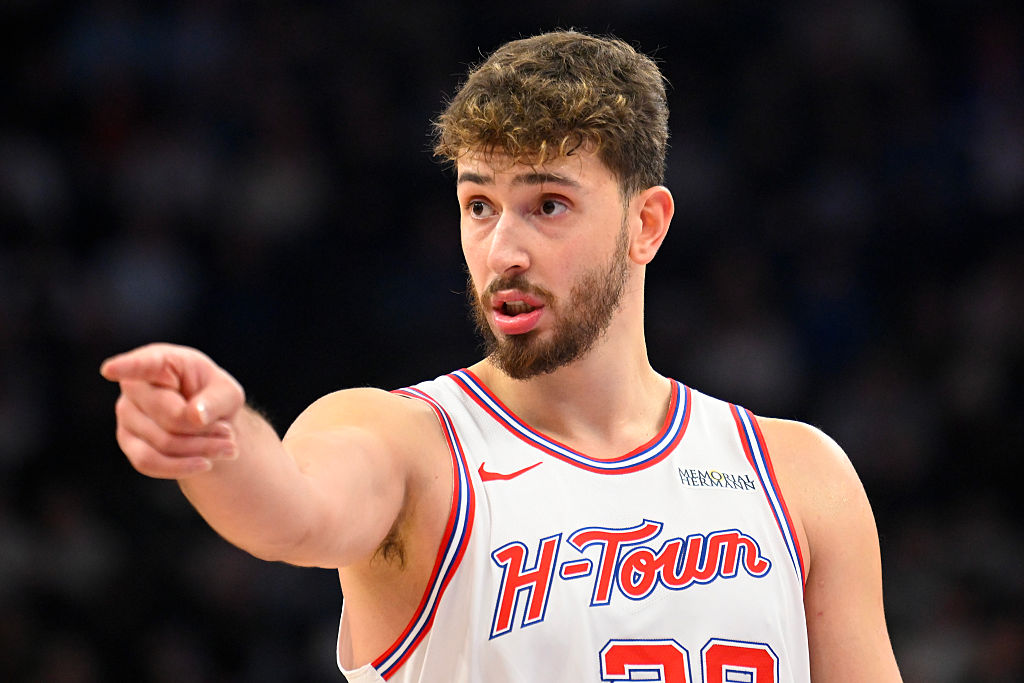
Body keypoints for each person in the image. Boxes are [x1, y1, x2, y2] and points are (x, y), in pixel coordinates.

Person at [101, 30, 903, 682]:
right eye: (479, 205)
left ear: (646, 224)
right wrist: (217, 437)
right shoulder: (413, 443)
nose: (502, 249)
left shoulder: (798, 476)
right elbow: (294, 510)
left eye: (547, 205)